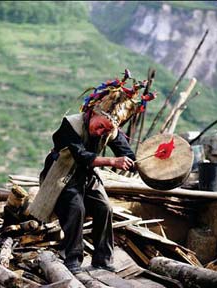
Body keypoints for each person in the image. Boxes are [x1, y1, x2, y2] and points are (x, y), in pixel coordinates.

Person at [38, 71, 156, 274]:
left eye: (107, 129)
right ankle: (72, 258)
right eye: (100, 126)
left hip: (86, 174)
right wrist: (111, 161)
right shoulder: (71, 124)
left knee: (104, 208)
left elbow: (126, 153)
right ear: (93, 112)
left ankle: (102, 259)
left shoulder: (110, 129)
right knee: (76, 208)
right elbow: (81, 155)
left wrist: (149, 162)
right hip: (61, 173)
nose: (102, 131)